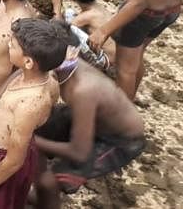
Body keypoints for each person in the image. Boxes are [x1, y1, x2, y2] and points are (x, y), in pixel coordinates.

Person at [33, 22, 145, 209]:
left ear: (70, 54)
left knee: (50, 180)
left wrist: (32, 140)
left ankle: (49, 197)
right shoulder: (66, 65)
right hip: (93, 119)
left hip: (119, 141)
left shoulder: (82, 90)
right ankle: (36, 174)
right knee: (43, 126)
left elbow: (79, 151)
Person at [0, 18, 65, 209]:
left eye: (13, 44)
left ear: (28, 61)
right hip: (8, 150)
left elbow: (15, 160)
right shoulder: (45, 79)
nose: (8, 43)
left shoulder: (29, 103)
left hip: (3, 160)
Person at [49, 0, 114, 71]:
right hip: (113, 54)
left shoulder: (86, 17)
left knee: (66, 31)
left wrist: (57, 6)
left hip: (105, 60)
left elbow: (60, 30)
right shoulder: (98, 9)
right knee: (69, 13)